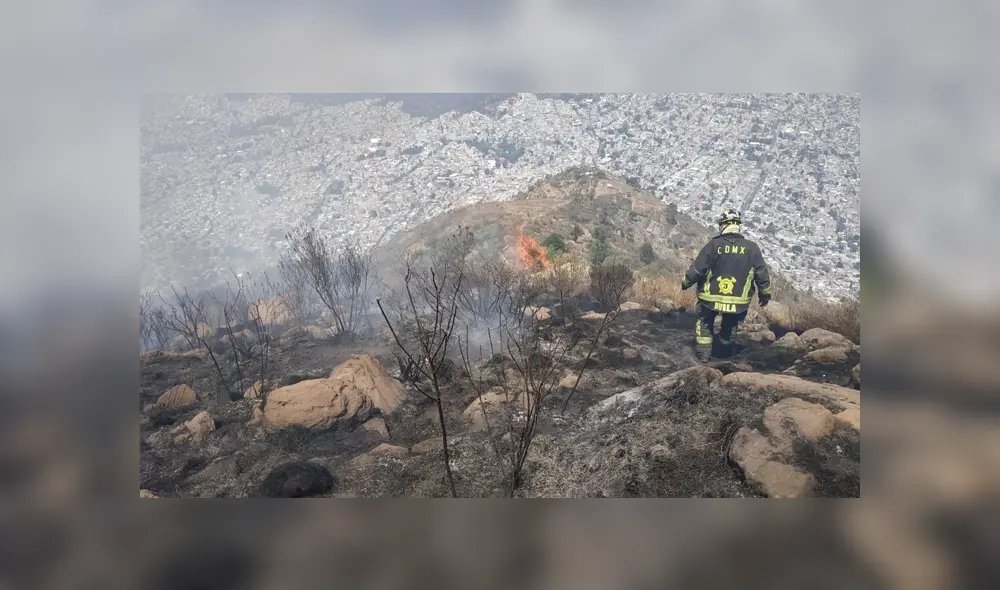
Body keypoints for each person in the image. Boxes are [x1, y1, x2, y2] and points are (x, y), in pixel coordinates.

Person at [681, 208, 773, 362]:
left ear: (723, 225)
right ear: (738, 226)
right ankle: (725, 354)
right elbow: (762, 274)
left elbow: (697, 269)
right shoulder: (752, 248)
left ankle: (704, 357)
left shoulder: (713, 245)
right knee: (730, 324)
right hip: (738, 301)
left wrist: (685, 283)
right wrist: (765, 294)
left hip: (710, 298)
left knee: (705, 323)